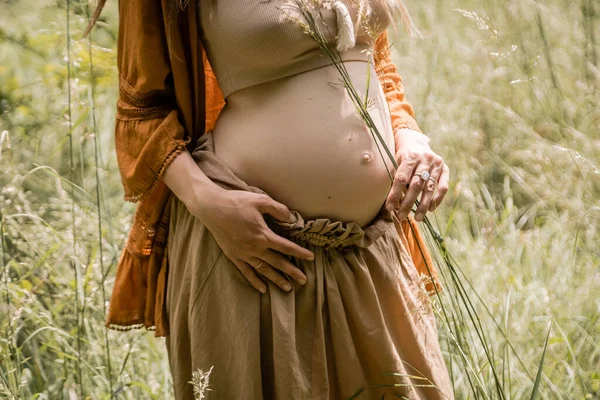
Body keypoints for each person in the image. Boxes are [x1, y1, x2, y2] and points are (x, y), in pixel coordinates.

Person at [84, 0, 453, 398]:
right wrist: (208, 202)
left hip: (370, 244)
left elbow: (374, 63)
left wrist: (410, 137)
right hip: (254, 253)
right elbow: (143, 109)